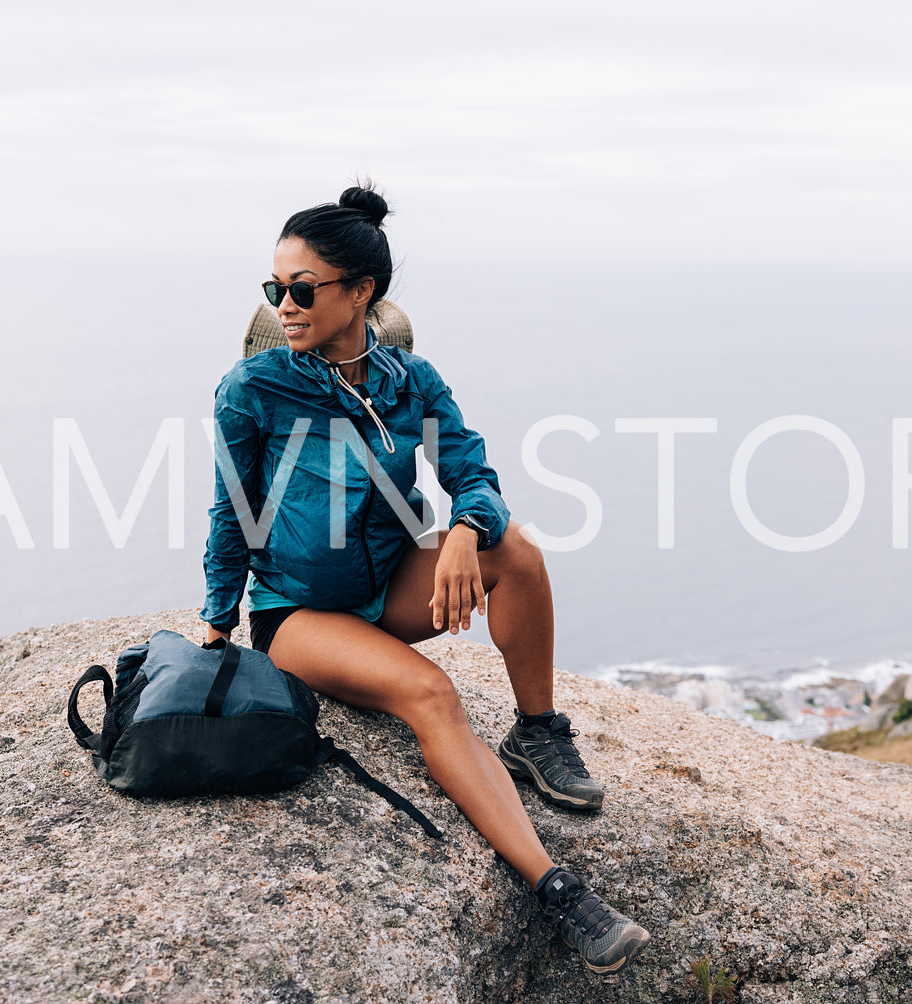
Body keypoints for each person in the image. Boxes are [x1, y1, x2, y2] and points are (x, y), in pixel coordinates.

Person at [198, 183, 650, 973]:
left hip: (386, 590)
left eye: (301, 289)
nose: (285, 305)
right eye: (275, 289)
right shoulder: (254, 389)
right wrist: (216, 620)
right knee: (431, 694)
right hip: (298, 614)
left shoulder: (412, 382)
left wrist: (465, 533)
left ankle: (536, 731)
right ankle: (556, 888)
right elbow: (230, 510)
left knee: (514, 548)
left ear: (360, 292)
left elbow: (473, 473)